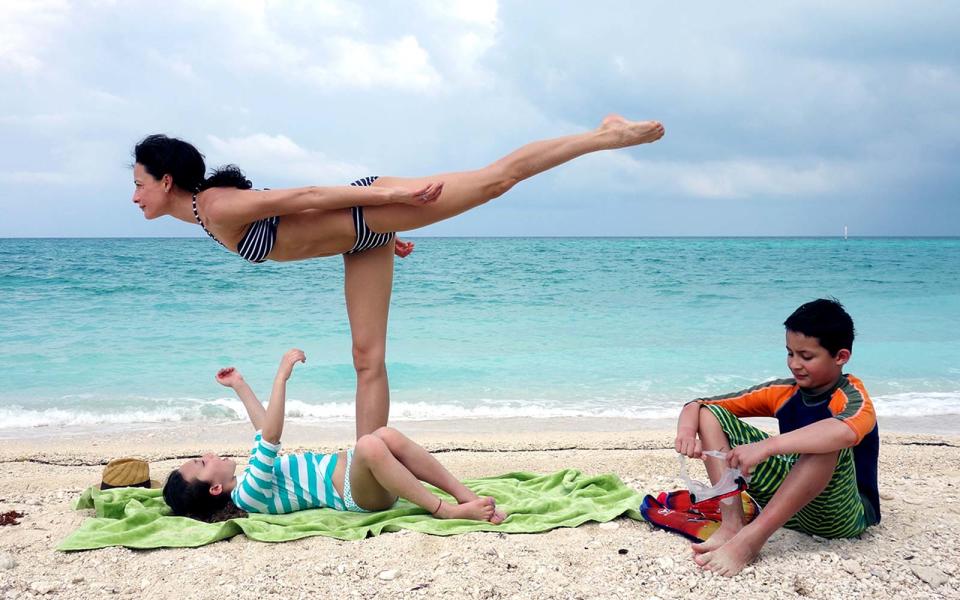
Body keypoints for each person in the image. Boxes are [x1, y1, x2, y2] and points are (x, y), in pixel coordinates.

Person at [132, 116, 665, 438]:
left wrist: (391, 200)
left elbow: (309, 197)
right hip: (363, 236)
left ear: (167, 180)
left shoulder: (218, 204)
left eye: (139, 183)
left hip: (374, 207)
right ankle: (373, 461)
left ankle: (604, 136)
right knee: (368, 360)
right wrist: (380, 235)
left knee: (493, 181)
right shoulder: (204, 214)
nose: (135, 196)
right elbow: (300, 232)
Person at [163, 348, 506, 524]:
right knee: (370, 442)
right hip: (356, 495)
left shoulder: (251, 479)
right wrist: (281, 376)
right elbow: (271, 434)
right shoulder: (250, 494)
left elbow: (261, 430)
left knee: (385, 434)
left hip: (359, 475)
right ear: (215, 488)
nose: (207, 455)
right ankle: (444, 510)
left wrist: (239, 385)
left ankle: (466, 496)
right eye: (200, 463)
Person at [673, 298, 879, 576]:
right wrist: (687, 431)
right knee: (711, 414)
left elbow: (842, 431)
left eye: (806, 356)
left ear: (841, 356)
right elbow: (700, 404)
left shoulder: (853, 397)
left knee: (827, 439)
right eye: (790, 353)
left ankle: (750, 540)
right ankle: (732, 525)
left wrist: (767, 446)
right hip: (788, 507)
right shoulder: (785, 391)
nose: (795, 364)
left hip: (843, 515)